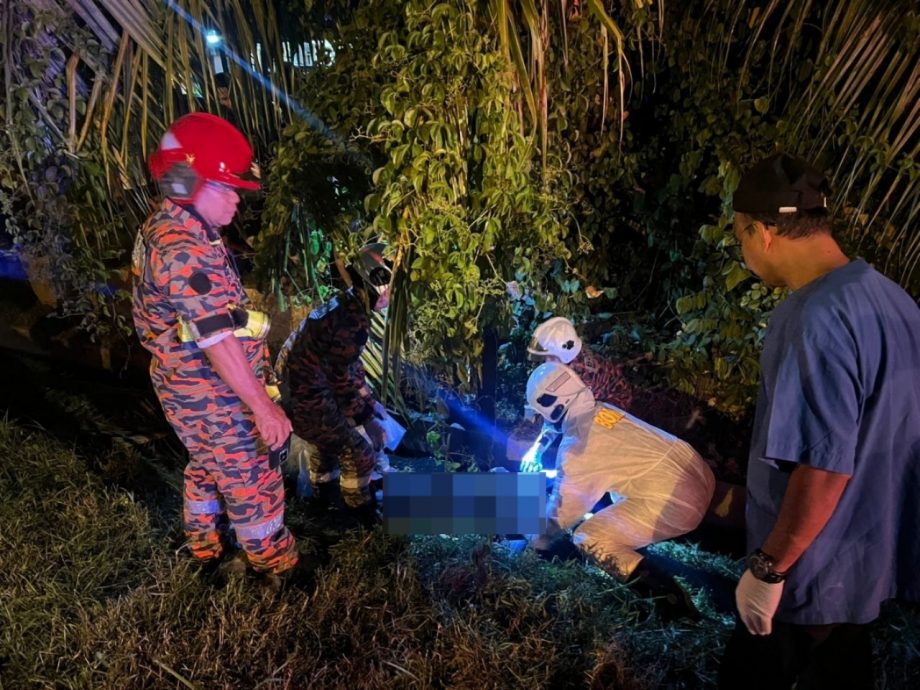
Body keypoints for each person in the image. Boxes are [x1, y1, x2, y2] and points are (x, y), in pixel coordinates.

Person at [717, 152, 920, 690]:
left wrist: (768, 569)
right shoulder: (894, 301)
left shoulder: (813, 317)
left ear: (762, 233)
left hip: (808, 572)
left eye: (739, 236)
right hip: (868, 562)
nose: (743, 252)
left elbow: (824, 465)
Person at [131, 112, 298, 583]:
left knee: (207, 463)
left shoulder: (172, 227)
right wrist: (264, 409)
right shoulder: (184, 248)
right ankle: (274, 565)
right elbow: (216, 340)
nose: (235, 199)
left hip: (187, 388)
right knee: (250, 474)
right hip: (212, 392)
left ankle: (204, 544)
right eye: (226, 187)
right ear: (189, 183)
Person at [525, 361, 715, 620]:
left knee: (589, 537)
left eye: (541, 415)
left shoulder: (579, 446)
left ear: (554, 406)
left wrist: (536, 541)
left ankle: (673, 604)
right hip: (697, 474)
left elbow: (563, 514)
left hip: (677, 503)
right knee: (614, 502)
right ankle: (636, 555)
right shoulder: (602, 411)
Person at [280, 242, 392, 529]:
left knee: (329, 444)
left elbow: (349, 366)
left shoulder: (345, 305)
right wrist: (367, 420)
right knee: (358, 452)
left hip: (299, 393)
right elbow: (341, 378)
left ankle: (323, 507)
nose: (390, 294)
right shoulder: (352, 321)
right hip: (307, 398)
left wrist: (369, 403)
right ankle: (361, 519)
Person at [528, 316, 633, 411]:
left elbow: (577, 403)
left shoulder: (581, 373)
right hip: (607, 387)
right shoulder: (574, 352)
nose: (546, 361)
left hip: (616, 400)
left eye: (551, 357)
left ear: (565, 354)